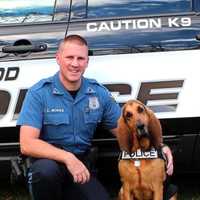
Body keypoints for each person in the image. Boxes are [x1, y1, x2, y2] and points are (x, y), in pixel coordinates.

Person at [17, 34, 175, 200]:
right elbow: (27, 144)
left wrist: (159, 146)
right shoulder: (39, 93)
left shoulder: (98, 93)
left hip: (81, 167)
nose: (75, 64)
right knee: (45, 172)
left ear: (87, 61)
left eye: (80, 58)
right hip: (49, 163)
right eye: (69, 57)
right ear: (58, 58)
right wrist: (68, 158)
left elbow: (126, 128)